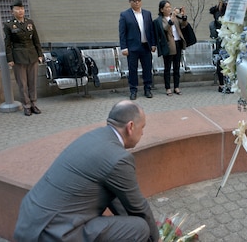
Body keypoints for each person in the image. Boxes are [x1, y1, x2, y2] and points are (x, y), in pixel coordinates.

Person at [14, 100, 161, 242]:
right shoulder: (119, 158)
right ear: (130, 127)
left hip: (29, 223)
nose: (142, 133)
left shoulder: (95, 137)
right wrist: (156, 238)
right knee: (139, 228)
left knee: (132, 224)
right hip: (54, 233)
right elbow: (138, 207)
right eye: (142, 127)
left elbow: (116, 196)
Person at [4, 0, 43, 116]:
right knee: (22, 84)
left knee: (33, 82)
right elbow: (8, 44)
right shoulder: (9, 25)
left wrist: (40, 54)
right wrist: (10, 59)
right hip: (18, 57)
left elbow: (36, 39)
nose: (20, 11)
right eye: (17, 9)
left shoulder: (29, 22)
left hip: (32, 56)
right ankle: (26, 105)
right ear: (12, 12)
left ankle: (33, 104)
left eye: (21, 8)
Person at [119, 0, 156, 100]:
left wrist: (153, 44)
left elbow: (151, 30)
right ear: (130, 2)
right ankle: (133, 90)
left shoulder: (147, 14)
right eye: (134, 1)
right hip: (132, 47)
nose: (137, 3)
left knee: (147, 68)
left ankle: (147, 89)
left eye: (139, 1)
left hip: (146, 46)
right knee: (133, 69)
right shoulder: (125, 15)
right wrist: (124, 47)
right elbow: (122, 33)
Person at [153, 1, 187, 96]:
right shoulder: (160, 20)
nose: (169, 9)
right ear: (162, 9)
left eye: (170, 7)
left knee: (177, 67)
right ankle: (168, 88)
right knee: (167, 68)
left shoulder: (176, 18)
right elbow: (165, 28)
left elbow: (184, 25)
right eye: (167, 7)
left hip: (178, 43)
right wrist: (172, 18)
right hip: (168, 45)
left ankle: (176, 86)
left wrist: (184, 15)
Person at [209, 0, 231, 93]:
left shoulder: (231, 10)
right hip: (221, 39)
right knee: (221, 62)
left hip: (230, 38)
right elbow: (220, 21)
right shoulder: (218, 11)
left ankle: (229, 83)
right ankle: (221, 84)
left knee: (230, 61)